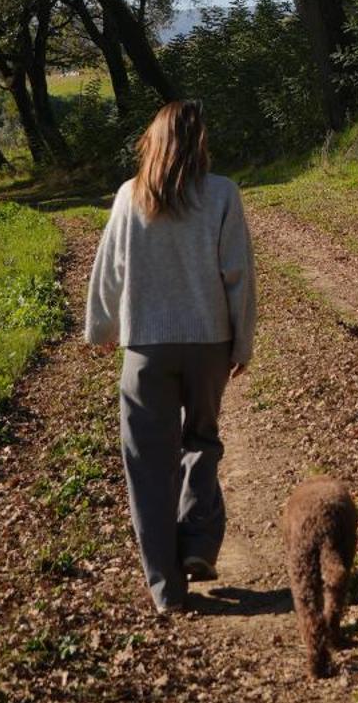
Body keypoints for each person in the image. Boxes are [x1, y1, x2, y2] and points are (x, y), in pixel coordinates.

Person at [85, 99, 256, 613]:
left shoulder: (128, 196)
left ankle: (166, 590)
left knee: (146, 465)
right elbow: (238, 275)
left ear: (153, 142)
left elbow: (108, 270)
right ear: (199, 142)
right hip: (208, 342)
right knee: (201, 439)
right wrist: (242, 340)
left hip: (146, 348)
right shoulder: (223, 194)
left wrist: (102, 329)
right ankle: (199, 544)